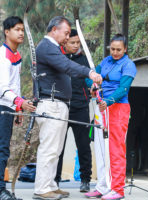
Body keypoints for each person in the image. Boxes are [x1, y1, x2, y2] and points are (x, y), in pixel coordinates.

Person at [33, 16, 102, 200]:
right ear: (54, 29)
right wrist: (89, 72)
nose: (66, 37)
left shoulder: (53, 48)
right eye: (65, 33)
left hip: (61, 103)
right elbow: (66, 66)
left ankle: (51, 185)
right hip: (51, 103)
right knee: (49, 148)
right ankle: (41, 188)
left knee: (55, 149)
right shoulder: (47, 47)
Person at [0, 16, 36, 200]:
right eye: (17, 29)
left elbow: (15, 85)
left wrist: (18, 108)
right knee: (1, 149)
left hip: (6, 106)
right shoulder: (1, 57)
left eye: (22, 29)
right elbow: (4, 88)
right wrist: (20, 102)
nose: (21, 33)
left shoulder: (16, 55)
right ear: (7, 32)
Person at [85, 34, 137, 200]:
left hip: (117, 108)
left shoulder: (129, 65)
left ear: (125, 49)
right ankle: (102, 186)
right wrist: (93, 85)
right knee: (100, 149)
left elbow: (123, 89)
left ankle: (117, 189)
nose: (115, 52)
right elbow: (89, 77)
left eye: (119, 50)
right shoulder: (106, 61)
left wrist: (108, 101)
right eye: (113, 49)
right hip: (101, 107)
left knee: (115, 149)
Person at [55, 29, 92, 192]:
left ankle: (85, 180)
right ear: (65, 41)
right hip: (61, 107)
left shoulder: (84, 60)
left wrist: (92, 88)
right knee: (58, 147)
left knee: (84, 145)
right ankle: (54, 180)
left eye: (78, 42)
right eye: (73, 42)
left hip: (81, 107)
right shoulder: (57, 58)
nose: (76, 46)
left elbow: (90, 80)